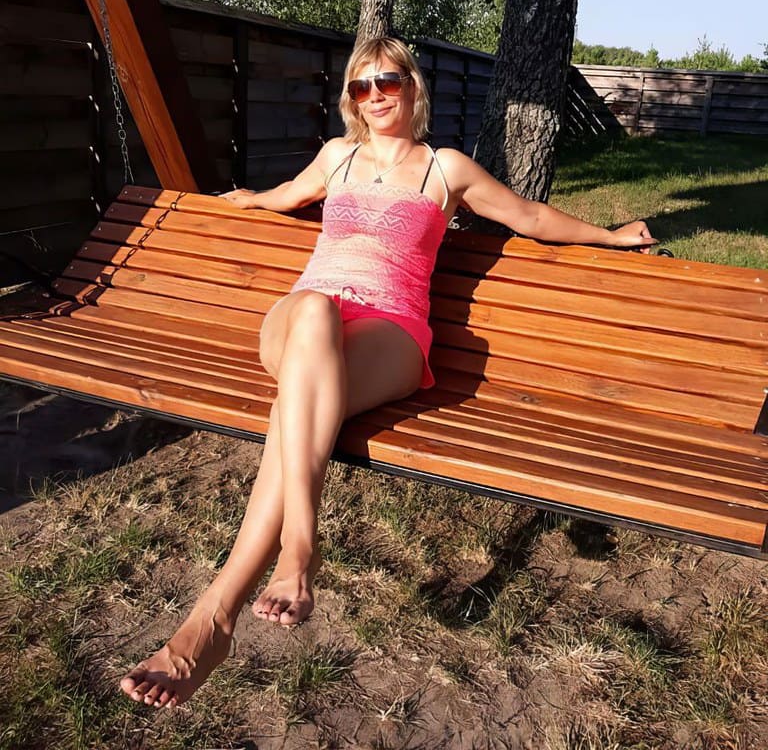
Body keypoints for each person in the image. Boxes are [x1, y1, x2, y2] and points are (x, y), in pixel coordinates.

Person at [119, 37, 655, 708]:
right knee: (314, 311)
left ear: (413, 86)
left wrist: (609, 236)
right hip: (302, 318)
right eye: (361, 85)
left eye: (387, 81)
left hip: (391, 331)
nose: (374, 96)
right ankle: (298, 547)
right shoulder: (336, 157)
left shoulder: (446, 169)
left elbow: (529, 215)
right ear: (350, 97)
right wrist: (248, 201)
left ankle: (213, 617)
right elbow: (288, 195)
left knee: (295, 406)